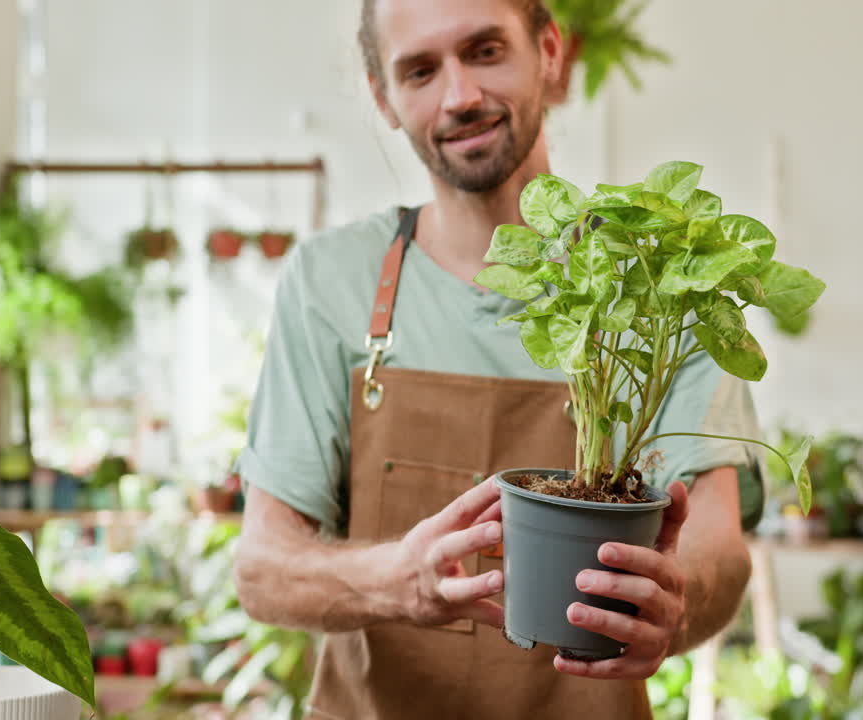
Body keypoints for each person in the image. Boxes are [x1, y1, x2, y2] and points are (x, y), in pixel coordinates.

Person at [233, 1, 761, 718]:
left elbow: (718, 546)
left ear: (549, 50)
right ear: (383, 97)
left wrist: (680, 599)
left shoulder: (656, 281)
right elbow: (263, 569)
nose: (460, 97)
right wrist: (396, 578)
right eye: (420, 70)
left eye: (485, 51)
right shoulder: (330, 282)